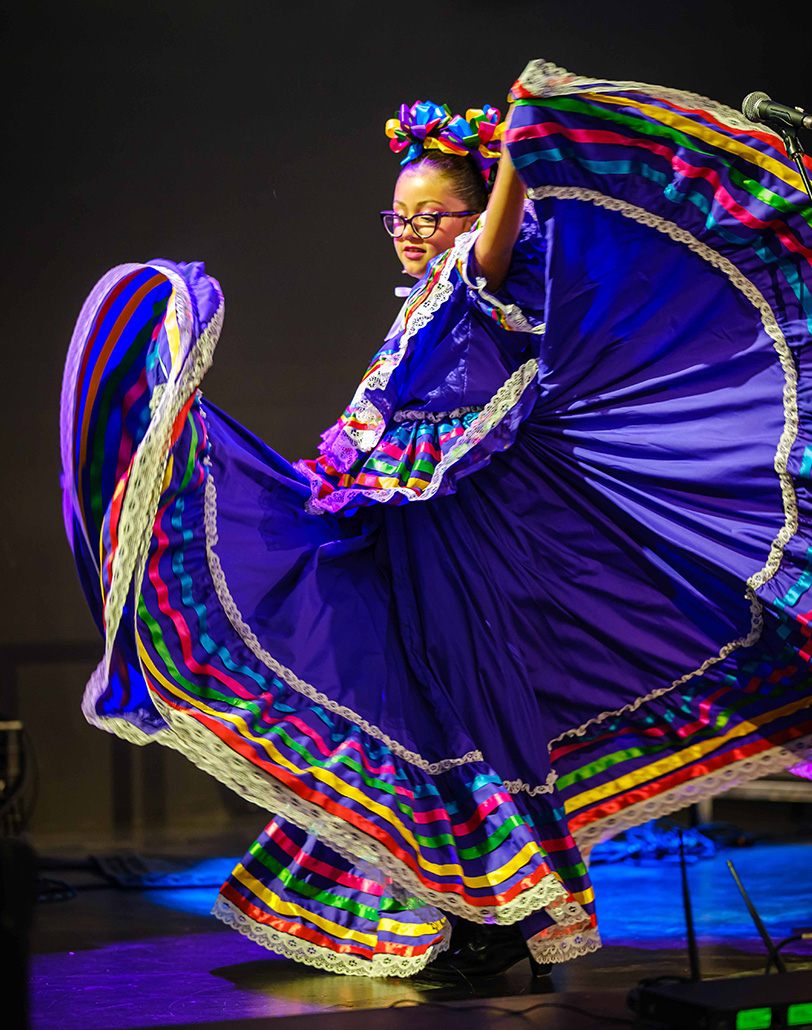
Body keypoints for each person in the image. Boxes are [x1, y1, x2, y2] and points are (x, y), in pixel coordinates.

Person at [60, 60, 812, 980]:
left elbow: (496, 238)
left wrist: (521, 143)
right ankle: (473, 918)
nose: (411, 233)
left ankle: (504, 922)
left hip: (464, 543)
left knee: (464, 713)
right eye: (399, 218)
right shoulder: (420, 303)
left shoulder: (472, 273)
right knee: (407, 712)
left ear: (470, 217)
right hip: (407, 535)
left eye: (430, 215)